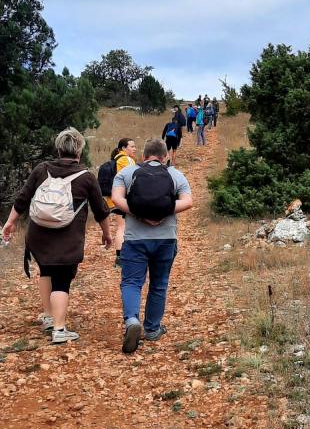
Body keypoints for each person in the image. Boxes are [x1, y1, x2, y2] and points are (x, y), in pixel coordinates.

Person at [1, 127, 112, 344]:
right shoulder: (86, 177)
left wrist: (10, 222)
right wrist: (107, 234)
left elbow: (22, 199)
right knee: (62, 280)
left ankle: (49, 317)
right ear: (79, 150)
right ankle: (60, 330)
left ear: (58, 149)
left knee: (46, 270)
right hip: (68, 238)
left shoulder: (41, 169)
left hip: (39, 235)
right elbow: (101, 210)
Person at [111, 136, 193, 355]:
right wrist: (162, 212)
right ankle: (153, 328)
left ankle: (131, 321)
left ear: (143, 156)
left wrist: (139, 213)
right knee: (159, 283)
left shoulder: (126, 173)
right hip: (166, 239)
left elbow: (116, 198)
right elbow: (188, 201)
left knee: (131, 282)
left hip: (135, 239)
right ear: (165, 156)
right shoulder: (175, 174)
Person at [100, 137, 137, 267]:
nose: (134, 149)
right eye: (131, 146)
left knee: (121, 227)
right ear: (123, 148)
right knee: (124, 227)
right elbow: (131, 180)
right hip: (124, 198)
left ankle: (121, 257)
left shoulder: (116, 159)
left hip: (113, 198)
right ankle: (122, 258)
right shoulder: (127, 160)